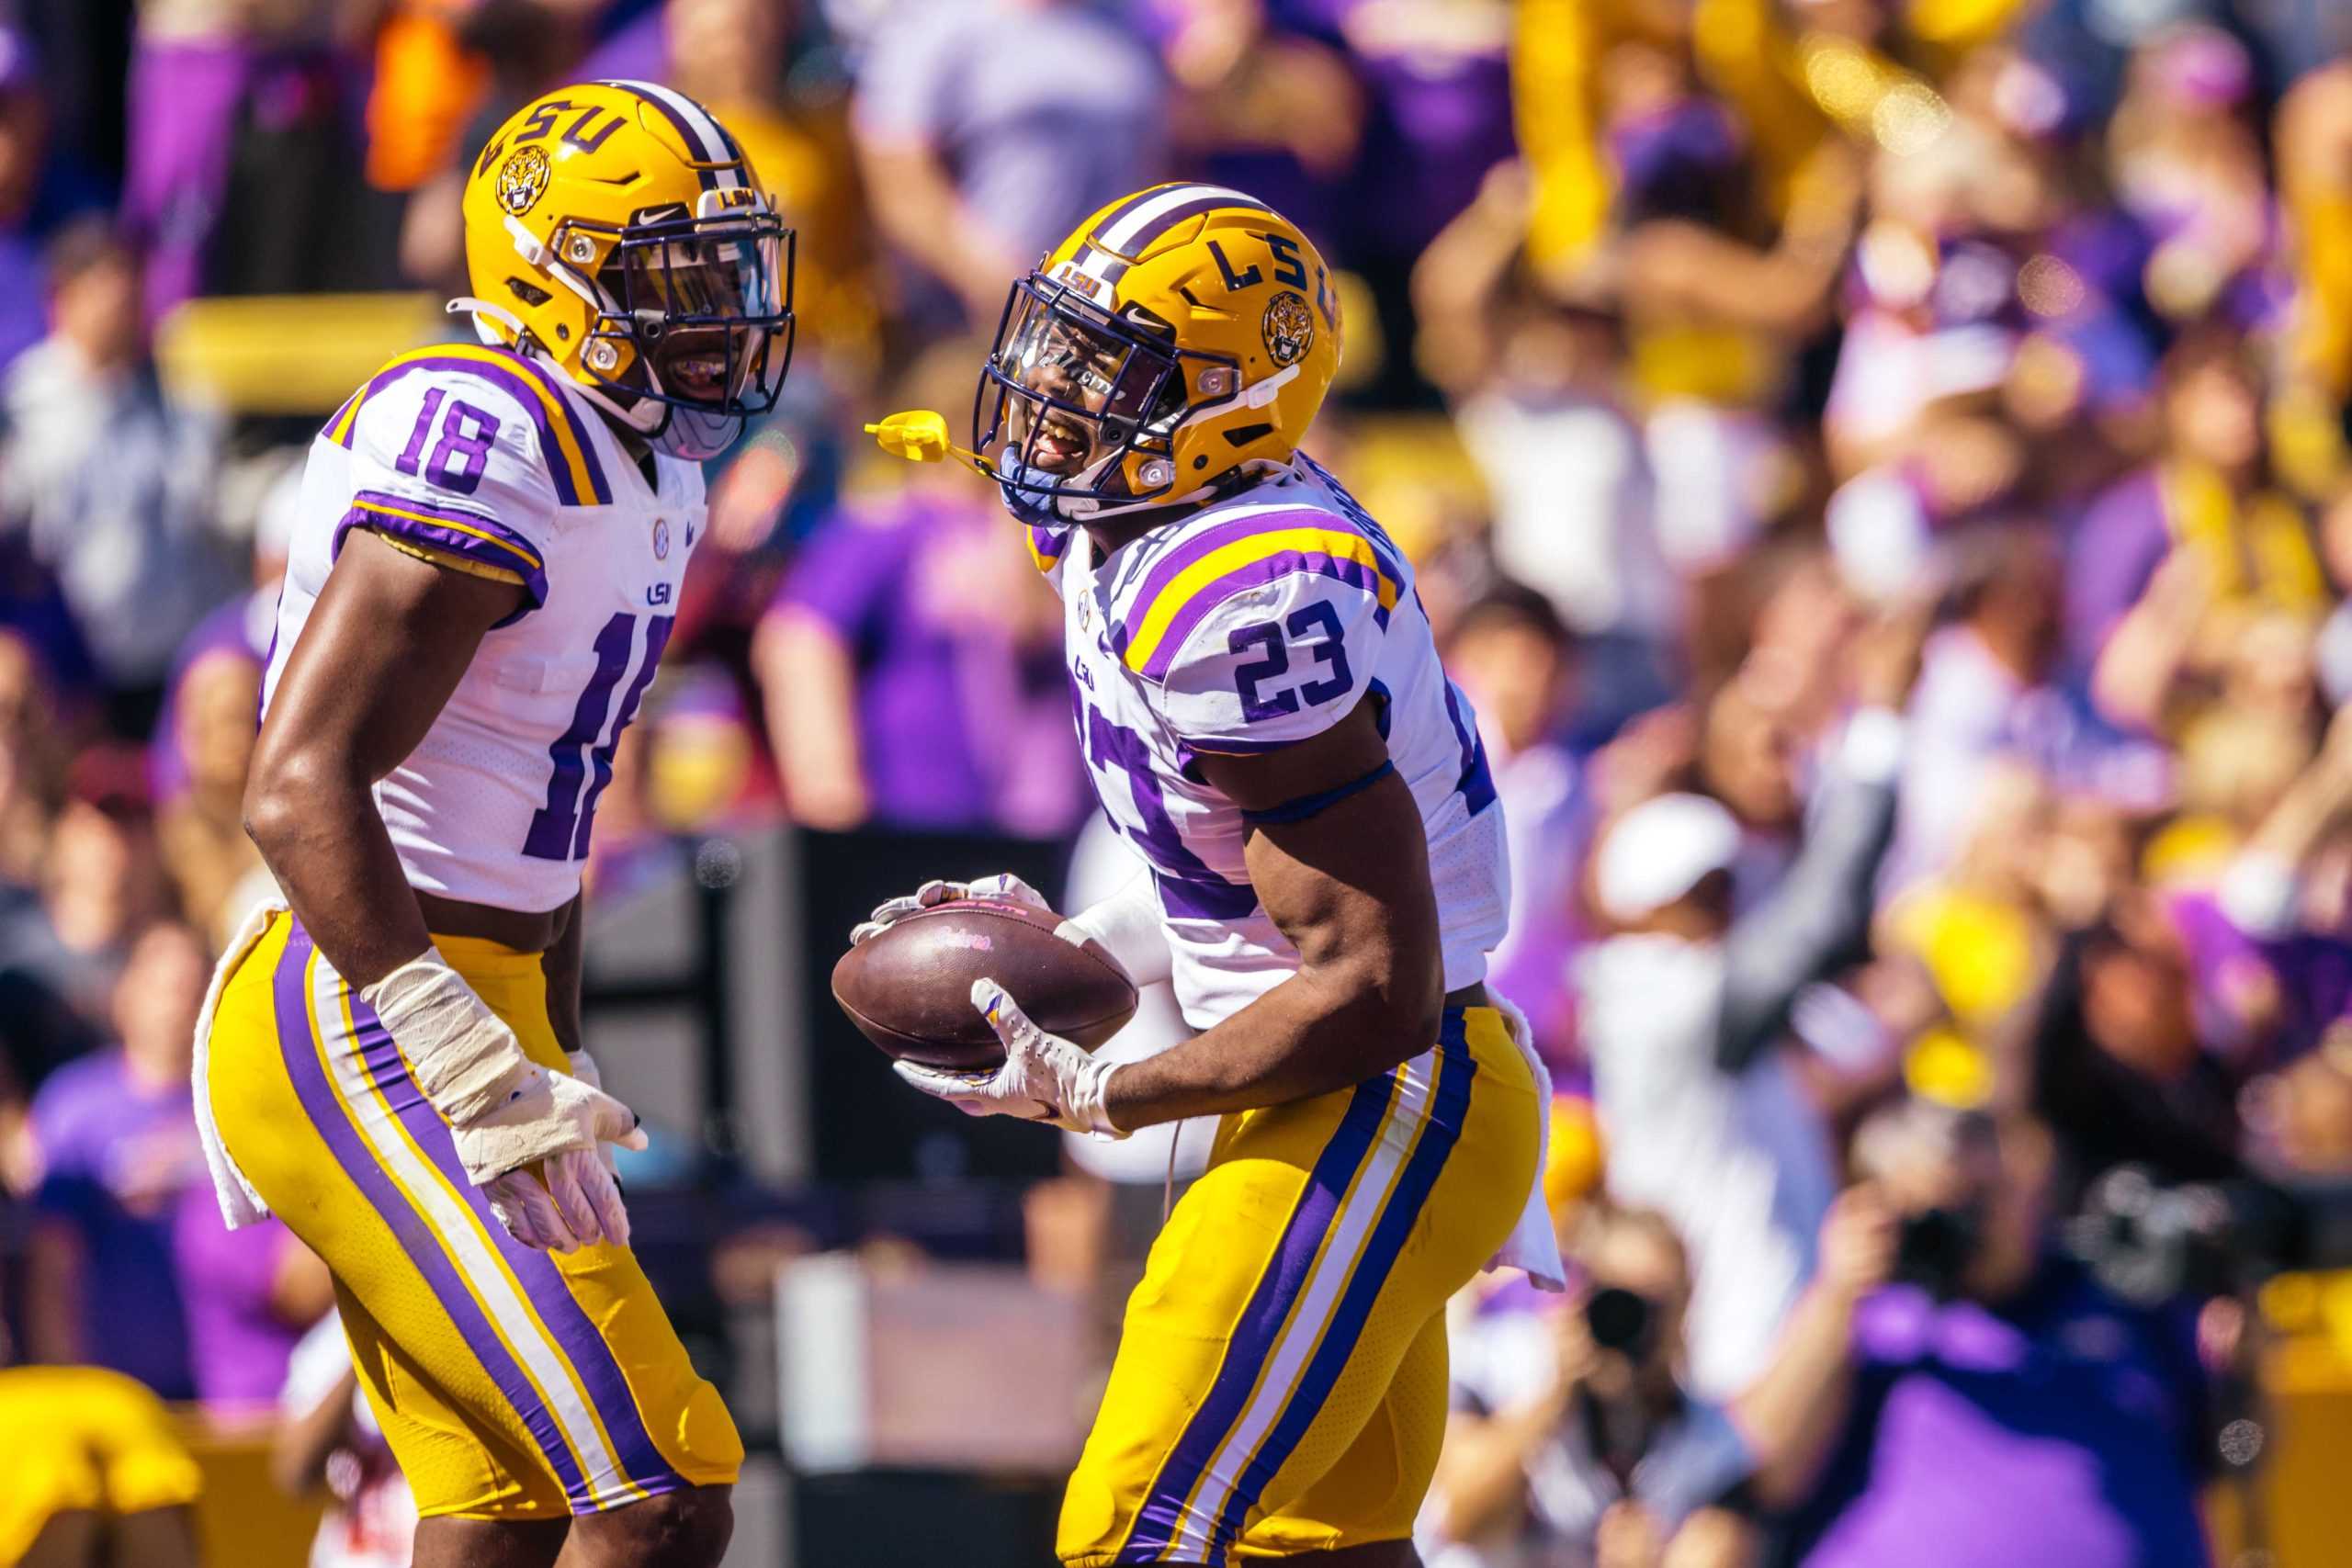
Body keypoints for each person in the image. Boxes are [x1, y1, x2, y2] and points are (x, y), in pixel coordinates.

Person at [854, 185, 1561, 1568]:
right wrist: (1081, 940)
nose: (1052, 391)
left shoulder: (1238, 588)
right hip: (1345, 1092)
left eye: (1106, 367)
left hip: (1385, 1094)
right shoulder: (1146, 511)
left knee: (1139, 1531)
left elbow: (1373, 980)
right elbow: (1242, 888)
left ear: (1228, 405)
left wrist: (1107, 1088)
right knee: (1321, 1550)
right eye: (1057, 345)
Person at [197, 82, 786, 1567]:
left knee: (502, 1517)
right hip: (364, 991)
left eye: (726, 273)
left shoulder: (647, 461)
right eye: (674, 278)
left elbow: (549, 806)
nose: (718, 312)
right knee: (653, 1495)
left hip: (472, 993)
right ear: (553, 274)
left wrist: (555, 1035)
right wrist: (455, 1038)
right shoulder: (488, 425)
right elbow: (293, 781)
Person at [1576, 607, 1923, 1404]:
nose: (1721, 906)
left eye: (1726, 885)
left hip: (1777, 1341)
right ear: (1644, 908)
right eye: (1699, 891)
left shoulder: (1691, 988)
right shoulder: (1656, 993)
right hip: (1734, 1359)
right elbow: (1827, 911)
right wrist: (1881, 723)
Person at [1738, 1100, 2214, 1568]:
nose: (1966, 1228)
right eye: (1934, 1216)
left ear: (2016, 1174)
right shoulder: (1868, 1322)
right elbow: (1763, 1472)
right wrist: (1836, 1294)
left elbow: (2236, 1445)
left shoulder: (2122, 1291)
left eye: (1976, 1199)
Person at [1422, 1205, 1757, 1568]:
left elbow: (1725, 1547)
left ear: (1683, 1315)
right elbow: (1459, 1519)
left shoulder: (1711, 1443)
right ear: (1579, 1291)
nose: (1629, 1323)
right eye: (1614, 1297)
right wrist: (1554, 1396)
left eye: (1653, 1307)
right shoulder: (1502, 1364)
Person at [23, 920, 209, 1398]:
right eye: (163, 988)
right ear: (125, 997)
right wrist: (69, 1389)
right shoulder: (74, 1107)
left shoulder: (235, 1105)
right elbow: (51, 1263)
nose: (178, 1006)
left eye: (194, 989)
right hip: (114, 1393)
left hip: (228, 1397)